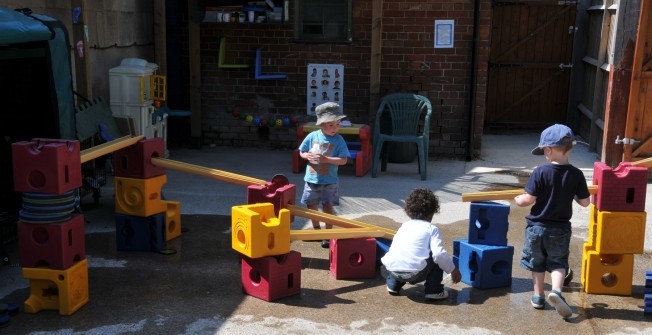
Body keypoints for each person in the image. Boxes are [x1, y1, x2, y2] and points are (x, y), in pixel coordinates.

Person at [514, 124, 590, 318]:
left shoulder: (540, 172)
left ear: (547, 150)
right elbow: (585, 202)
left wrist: (518, 199)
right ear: (571, 148)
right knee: (558, 263)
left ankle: (538, 297)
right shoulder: (576, 174)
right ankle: (556, 291)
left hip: (536, 228)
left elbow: (528, 200)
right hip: (560, 229)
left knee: (536, 263)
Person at [381, 188, 462, 301]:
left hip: (392, 270)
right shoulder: (431, 229)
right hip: (415, 273)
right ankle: (434, 291)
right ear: (432, 214)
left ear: (408, 212)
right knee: (436, 257)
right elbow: (439, 255)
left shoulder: (403, 227)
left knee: (401, 254)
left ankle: (393, 285)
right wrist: (453, 270)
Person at [298, 102, 350, 248]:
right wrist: (306, 155)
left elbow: (344, 160)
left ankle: (327, 235)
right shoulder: (312, 136)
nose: (335, 128)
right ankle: (316, 231)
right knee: (311, 205)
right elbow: (301, 152)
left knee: (328, 206)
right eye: (331, 125)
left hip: (330, 181)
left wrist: (326, 159)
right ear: (322, 124)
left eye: (338, 124)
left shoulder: (339, 140)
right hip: (311, 179)